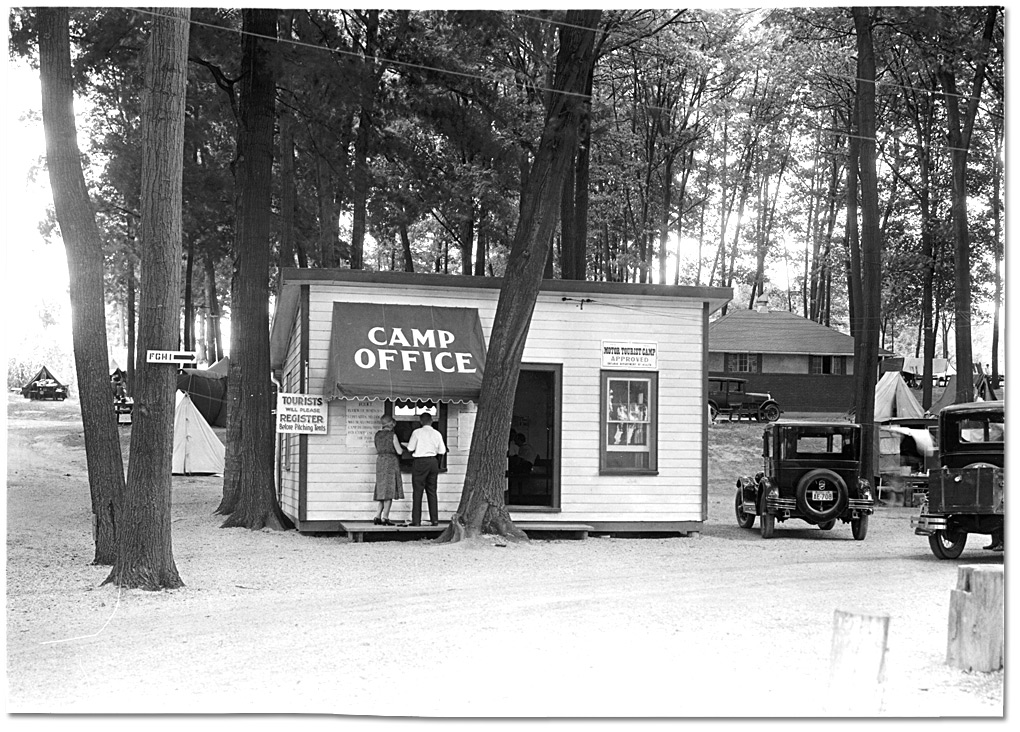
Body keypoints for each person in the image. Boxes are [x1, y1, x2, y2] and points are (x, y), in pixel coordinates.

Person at [406, 412, 446, 526]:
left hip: (420, 462)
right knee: (432, 491)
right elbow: (442, 451)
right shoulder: (437, 433)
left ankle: (416, 521)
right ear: (431, 421)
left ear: (421, 421)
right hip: (433, 462)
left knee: (418, 491)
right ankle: (435, 520)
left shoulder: (417, 432)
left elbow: (410, 448)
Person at [373, 415, 404, 525]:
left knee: (382, 489)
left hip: (380, 461)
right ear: (392, 424)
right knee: (389, 490)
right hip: (390, 461)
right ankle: (385, 517)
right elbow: (399, 451)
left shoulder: (377, 435)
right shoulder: (392, 435)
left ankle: (377, 516)